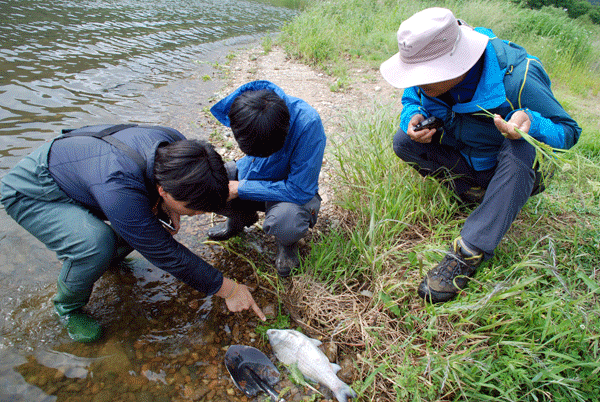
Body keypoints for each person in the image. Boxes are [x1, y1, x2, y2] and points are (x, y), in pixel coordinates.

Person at [379, 8, 581, 303]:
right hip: (466, 159)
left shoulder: (518, 77)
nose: (417, 82)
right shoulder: (426, 72)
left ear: (456, 66)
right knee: (403, 142)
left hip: (509, 167)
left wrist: (531, 124)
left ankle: (470, 250)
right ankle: (474, 193)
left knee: (521, 145)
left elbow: (569, 132)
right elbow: (412, 98)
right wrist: (412, 116)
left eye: (424, 77)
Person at [0, 124, 266, 343]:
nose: (196, 215)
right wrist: (229, 290)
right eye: (193, 211)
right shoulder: (120, 188)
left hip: (85, 175)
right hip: (35, 191)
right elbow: (165, 254)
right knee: (96, 244)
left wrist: (169, 208)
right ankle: (67, 307)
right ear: (164, 190)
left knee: (141, 226)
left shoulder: (181, 150)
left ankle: (107, 261)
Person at [208, 80, 326, 277]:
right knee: (209, 183)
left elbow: (300, 190)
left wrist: (240, 188)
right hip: (253, 173)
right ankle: (239, 220)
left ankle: (287, 245)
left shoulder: (308, 124)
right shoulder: (245, 107)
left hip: (291, 194)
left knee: (287, 220)